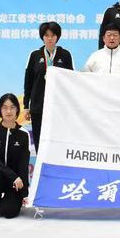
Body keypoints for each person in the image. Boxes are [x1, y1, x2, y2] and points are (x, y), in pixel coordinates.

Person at [24, 21, 74, 151]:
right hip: (38, 106)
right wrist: (26, 106)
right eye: (46, 35)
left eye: (53, 35)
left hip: (59, 105)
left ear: (57, 37)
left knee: (57, 139)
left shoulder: (65, 55)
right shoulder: (35, 55)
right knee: (39, 139)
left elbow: (71, 81)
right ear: (42, 37)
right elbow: (28, 82)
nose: (50, 38)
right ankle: (40, 163)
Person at [0, 93, 30, 219]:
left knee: (9, 212)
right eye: (5, 107)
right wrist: (13, 176)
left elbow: (24, 164)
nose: (8, 111)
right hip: (0, 177)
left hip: (16, 183)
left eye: (12, 107)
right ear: (0, 110)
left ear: (17, 110)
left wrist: (25, 193)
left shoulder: (23, 134)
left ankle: (9, 201)